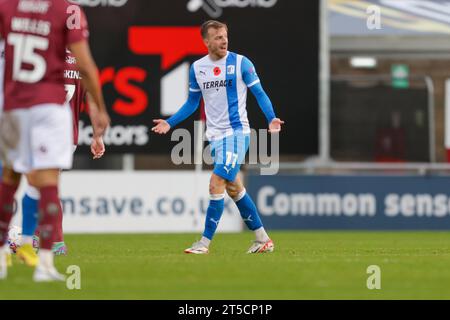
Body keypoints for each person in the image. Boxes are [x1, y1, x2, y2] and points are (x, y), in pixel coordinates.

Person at [0, 0, 110, 281]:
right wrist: (100, 108)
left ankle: (3, 255)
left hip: (13, 102)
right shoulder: (67, 10)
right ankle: (44, 262)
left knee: (10, 177)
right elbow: (85, 64)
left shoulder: (8, 7)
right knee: (47, 183)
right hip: (48, 107)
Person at [152, 20, 284, 254]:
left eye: (225, 36)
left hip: (237, 133)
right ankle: (263, 239)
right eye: (218, 37)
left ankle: (204, 243)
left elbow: (259, 93)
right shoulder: (198, 68)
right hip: (215, 138)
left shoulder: (241, 63)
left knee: (216, 182)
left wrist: (271, 117)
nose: (224, 40)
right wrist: (169, 123)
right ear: (206, 41)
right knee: (234, 188)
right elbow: (193, 103)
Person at [17, 49, 107, 263]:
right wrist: (97, 136)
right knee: (47, 187)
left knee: (40, 186)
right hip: (68, 136)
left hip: (43, 131)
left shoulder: (42, 53)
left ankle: (52, 241)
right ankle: (46, 238)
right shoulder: (79, 60)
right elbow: (92, 103)